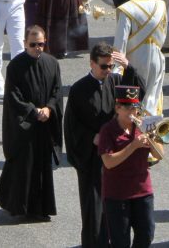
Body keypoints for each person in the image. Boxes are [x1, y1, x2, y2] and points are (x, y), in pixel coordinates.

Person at [65, 44, 144, 247]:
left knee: (115, 204)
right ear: (92, 63)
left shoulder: (116, 81)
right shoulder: (78, 89)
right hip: (91, 156)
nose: (108, 71)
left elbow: (137, 94)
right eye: (103, 66)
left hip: (114, 154)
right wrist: (91, 136)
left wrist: (129, 68)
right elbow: (72, 125)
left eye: (110, 66)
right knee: (94, 206)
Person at [0, 25, 63, 220]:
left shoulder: (52, 63)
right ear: (25, 43)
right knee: (23, 167)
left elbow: (57, 91)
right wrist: (33, 111)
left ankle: (41, 208)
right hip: (25, 126)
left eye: (41, 44)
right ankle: (18, 206)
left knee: (43, 167)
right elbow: (13, 97)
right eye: (33, 44)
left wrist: (49, 108)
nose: (37, 48)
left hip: (45, 124)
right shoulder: (15, 66)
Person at [99, 84, 160, 248]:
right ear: (118, 108)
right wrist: (133, 145)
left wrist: (153, 138)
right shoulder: (108, 130)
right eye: (128, 108)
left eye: (135, 107)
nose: (133, 112)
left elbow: (159, 156)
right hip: (117, 194)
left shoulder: (142, 126)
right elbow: (109, 162)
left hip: (142, 190)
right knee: (121, 241)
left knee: (147, 234)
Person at [114, 0, 167, 117]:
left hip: (135, 60)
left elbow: (121, 40)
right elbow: (163, 33)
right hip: (156, 55)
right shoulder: (161, 5)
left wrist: (117, 68)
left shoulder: (127, 8)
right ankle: (153, 132)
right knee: (153, 97)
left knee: (136, 97)